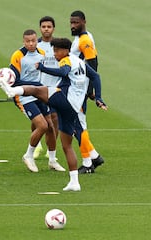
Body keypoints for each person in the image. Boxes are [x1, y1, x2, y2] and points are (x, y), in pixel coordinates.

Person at [0, 38, 107, 191]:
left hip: (65, 98)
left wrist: (42, 68)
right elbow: (96, 76)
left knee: (37, 91)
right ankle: (74, 182)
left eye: (56, 51)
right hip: (74, 107)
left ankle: (12, 90)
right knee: (67, 145)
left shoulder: (66, 60)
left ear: (65, 50)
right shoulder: (79, 62)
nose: (54, 54)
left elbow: (63, 71)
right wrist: (98, 97)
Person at [8, 29, 65, 173]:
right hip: (24, 96)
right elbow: (14, 80)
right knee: (42, 126)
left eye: (33, 41)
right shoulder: (18, 56)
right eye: (28, 41)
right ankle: (28, 155)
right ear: (23, 41)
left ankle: (52, 160)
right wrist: (33, 86)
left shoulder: (42, 54)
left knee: (51, 126)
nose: (31, 44)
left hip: (39, 94)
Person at [70, 10, 105, 173]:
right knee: (77, 124)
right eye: (71, 22)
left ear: (84, 21)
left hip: (80, 89)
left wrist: (90, 90)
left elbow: (93, 64)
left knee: (79, 125)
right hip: (77, 87)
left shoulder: (84, 40)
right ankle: (94, 156)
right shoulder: (82, 37)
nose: (73, 25)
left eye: (76, 22)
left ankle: (88, 163)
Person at [35, 16, 61, 159]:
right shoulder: (36, 45)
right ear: (40, 28)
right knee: (38, 119)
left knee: (54, 118)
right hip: (39, 88)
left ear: (53, 29)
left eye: (49, 27)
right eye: (44, 27)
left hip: (55, 88)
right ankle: (36, 145)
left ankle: (51, 152)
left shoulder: (58, 45)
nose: (46, 29)